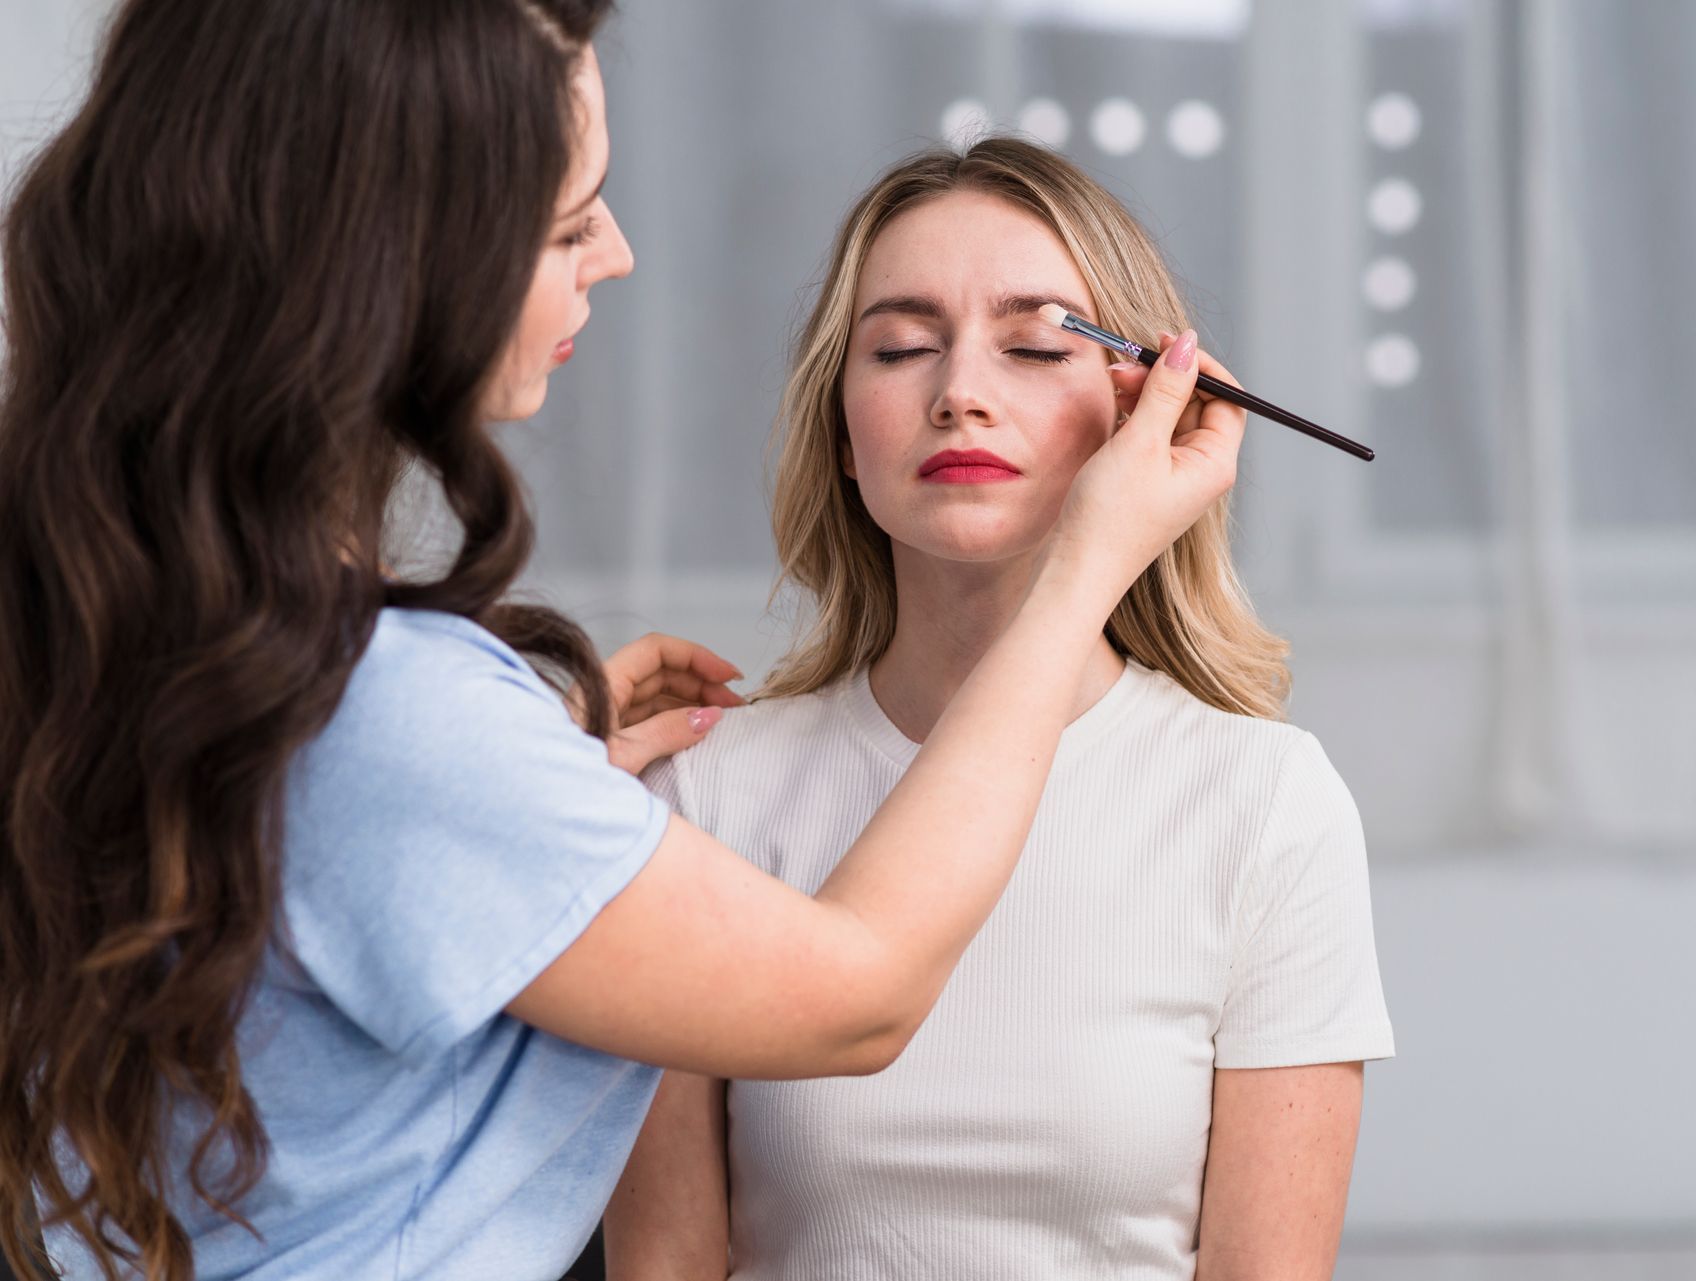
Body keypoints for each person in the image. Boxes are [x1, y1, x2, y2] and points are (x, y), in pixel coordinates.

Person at [0, 5, 1241, 1278]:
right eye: (567, 220)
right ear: (400, 261)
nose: (619, 253)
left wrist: (520, 784)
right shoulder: (456, 733)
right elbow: (859, 992)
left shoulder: (194, 651)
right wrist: (1087, 564)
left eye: (1038, 344)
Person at [603, 137, 1394, 1281]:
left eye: (1032, 344)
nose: (959, 392)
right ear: (841, 429)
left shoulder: (1265, 806)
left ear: (1150, 414)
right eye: (902, 347)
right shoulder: (706, 794)